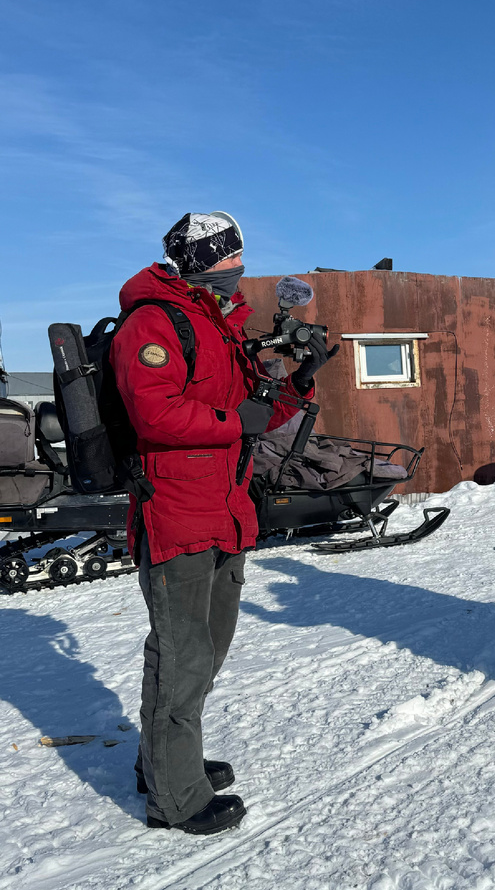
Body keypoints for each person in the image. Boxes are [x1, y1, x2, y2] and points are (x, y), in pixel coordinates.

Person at [110, 212, 338, 834]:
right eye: (228, 265)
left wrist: (301, 379)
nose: (237, 277)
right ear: (201, 263)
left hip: (225, 509)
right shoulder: (154, 322)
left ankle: (165, 762)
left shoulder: (222, 327)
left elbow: (260, 409)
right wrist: (242, 423)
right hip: (177, 511)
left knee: (206, 652)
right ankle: (174, 799)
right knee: (181, 656)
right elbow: (157, 415)